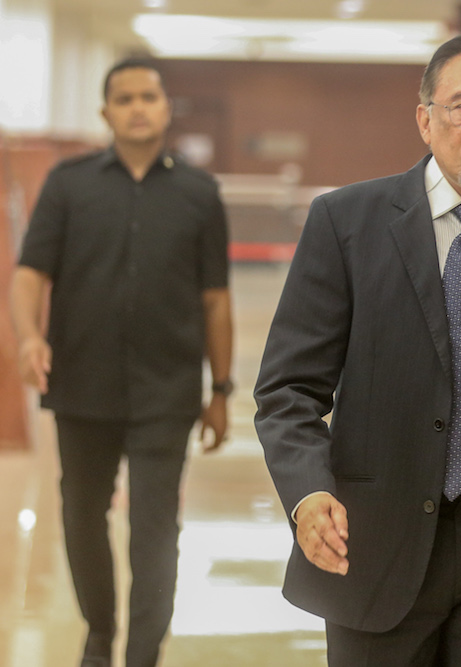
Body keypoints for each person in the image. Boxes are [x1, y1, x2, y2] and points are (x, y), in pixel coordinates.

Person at [254, 29, 461, 666]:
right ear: (426, 119)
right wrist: (306, 494)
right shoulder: (346, 223)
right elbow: (288, 390)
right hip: (376, 537)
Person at [10, 58, 233, 667]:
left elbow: (216, 299)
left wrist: (222, 389)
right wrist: (29, 337)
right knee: (82, 517)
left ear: (164, 109)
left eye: (149, 97)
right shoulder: (68, 184)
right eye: (125, 98)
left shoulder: (198, 193)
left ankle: (142, 652)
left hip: (169, 390)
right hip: (82, 385)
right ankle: (100, 633)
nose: (138, 107)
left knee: (156, 530)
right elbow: (30, 275)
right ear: (106, 112)